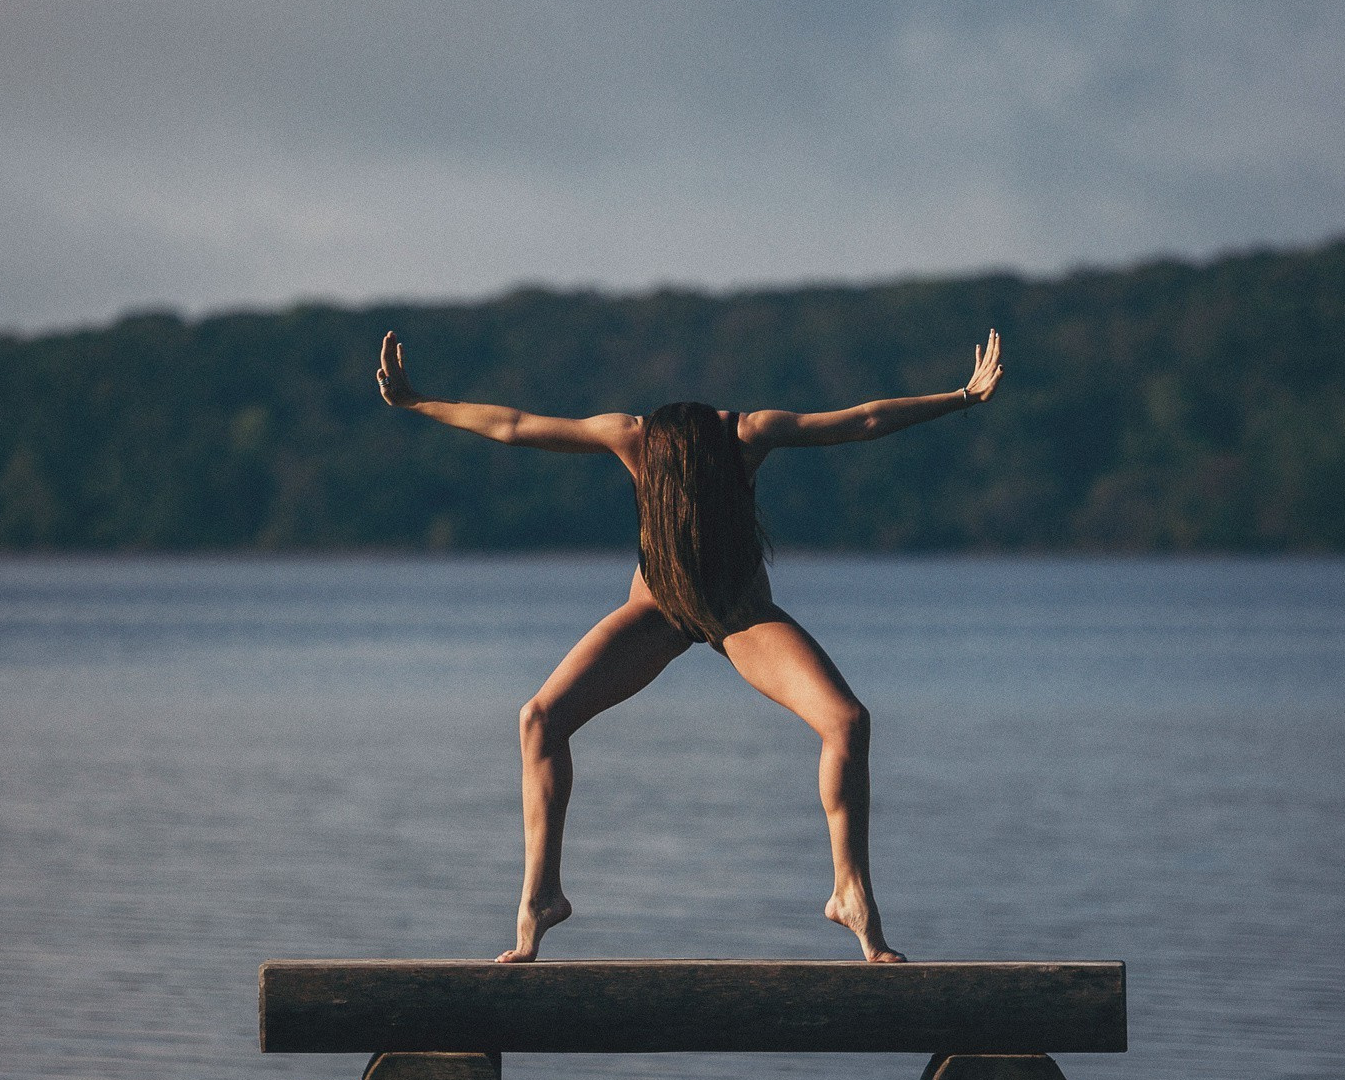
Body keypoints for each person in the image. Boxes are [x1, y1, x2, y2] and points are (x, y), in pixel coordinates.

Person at [376, 328, 1004, 962]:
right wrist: (417, 402)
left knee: (846, 722)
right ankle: (540, 897)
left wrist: (960, 397)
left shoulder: (749, 435)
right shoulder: (632, 437)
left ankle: (852, 895)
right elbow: (512, 425)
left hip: (740, 615)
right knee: (539, 719)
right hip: (658, 611)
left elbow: (864, 420)